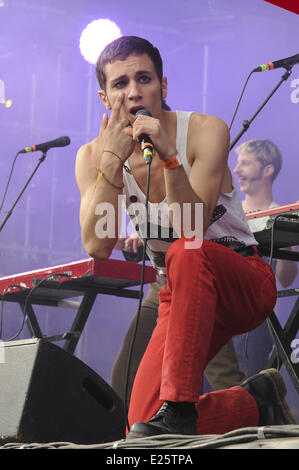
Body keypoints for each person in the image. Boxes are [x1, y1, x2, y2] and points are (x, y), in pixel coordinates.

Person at [75, 36, 296, 437]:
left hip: (239, 279)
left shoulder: (204, 131)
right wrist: (110, 160)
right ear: (104, 98)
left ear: (163, 86)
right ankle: (255, 401)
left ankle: (178, 405)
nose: (134, 91)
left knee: (186, 251)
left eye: (144, 78)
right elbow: (98, 244)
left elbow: (193, 231)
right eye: (120, 84)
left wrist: (168, 158)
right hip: (176, 288)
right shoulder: (93, 156)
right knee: (140, 423)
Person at [233, 139, 298, 376]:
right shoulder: (226, 213)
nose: (237, 170)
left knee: (249, 390)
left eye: (246, 163)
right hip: (217, 315)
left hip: (257, 326)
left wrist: (289, 245)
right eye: (238, 163)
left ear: (267, 170)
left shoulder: (284, 218)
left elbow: (286, 280)